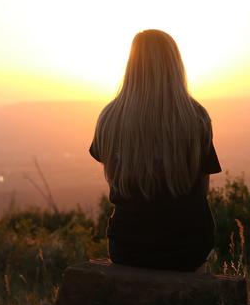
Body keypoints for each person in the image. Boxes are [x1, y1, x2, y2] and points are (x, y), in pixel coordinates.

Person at [89, 29, 222, 272]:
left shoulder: (109, 118)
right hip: (188, 247)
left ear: (131, 65)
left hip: (128, 247)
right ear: (175, 65)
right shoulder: (197, 118)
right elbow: (202, 191)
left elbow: (114, 177)